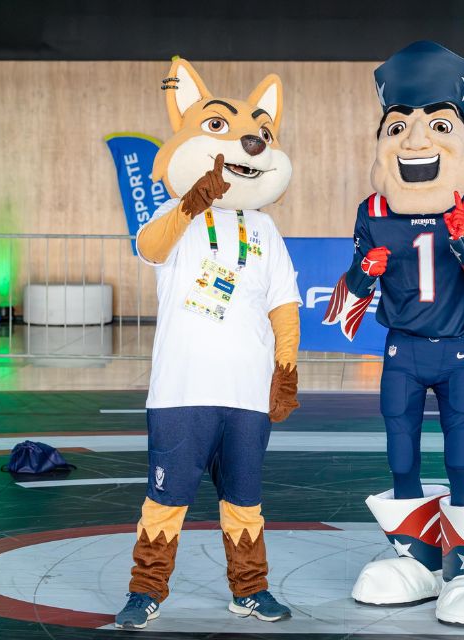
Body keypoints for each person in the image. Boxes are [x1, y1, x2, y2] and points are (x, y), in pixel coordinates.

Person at [322, 41, 464, 627]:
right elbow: (350, 295)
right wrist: (365, 271)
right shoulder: (374, 207)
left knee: (462, 457)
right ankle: (413, 558)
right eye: (399, 126)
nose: (415, 142)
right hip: (401, 348)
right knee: (400, 454)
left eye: (437, 125)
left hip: (458, 349)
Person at [114, 57, 301, 630]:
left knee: (245, 501)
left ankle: (250, 590)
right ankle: (146, 592)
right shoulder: (177, 214)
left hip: (246, 391)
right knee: (165, 501)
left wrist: (285, 368)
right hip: (182, 389)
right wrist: (193, 200)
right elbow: (149, 246)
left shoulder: (265, 229)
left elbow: (282, 302)